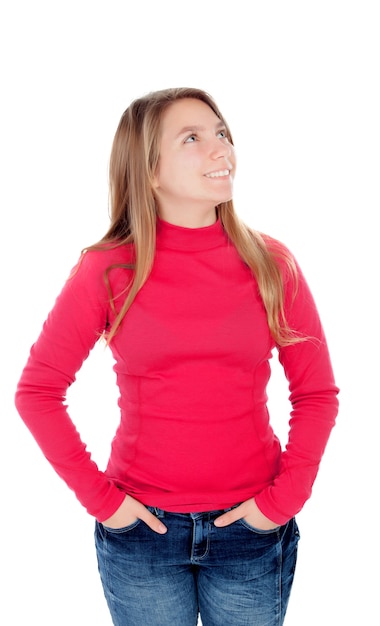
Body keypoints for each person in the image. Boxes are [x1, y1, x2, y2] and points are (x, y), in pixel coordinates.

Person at [15, 87, 339, 626]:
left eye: (222, 134)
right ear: (148, 171)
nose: (221, 149)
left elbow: (316, 394)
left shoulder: (272, 263)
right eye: (193, 138)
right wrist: (106, 505)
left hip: (251, 531)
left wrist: (282, 503)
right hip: (142, 534)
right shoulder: (109, 270)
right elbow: (37, 393)